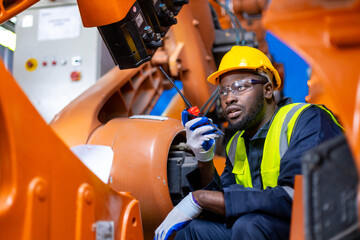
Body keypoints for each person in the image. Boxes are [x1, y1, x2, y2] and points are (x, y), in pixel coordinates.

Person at [154, 46, 343, 240]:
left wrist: (199, 198)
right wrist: (204, 160)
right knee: (194, 231)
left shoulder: (306, 120)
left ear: (268, 90)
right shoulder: (236, 144)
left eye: (240, 87)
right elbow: (220, 209)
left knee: (248, 225)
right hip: (266, 229)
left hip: (318, 229)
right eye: (223, 91)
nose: (229, 98)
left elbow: (298, 198)